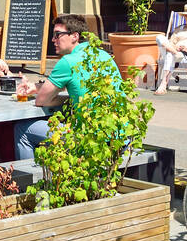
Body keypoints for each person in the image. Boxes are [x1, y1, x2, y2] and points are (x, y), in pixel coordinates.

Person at [16, 16, 117, 159]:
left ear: (75, 36)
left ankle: (28, 179)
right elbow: (75, 83)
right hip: (119, 135)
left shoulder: (67, 61)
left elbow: (41, 101)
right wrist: (38, 87)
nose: (53, 40)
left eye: (58, 35)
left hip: (92, 139)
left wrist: (60, 98)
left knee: (22, 129)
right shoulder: (103, 55)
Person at [150, 2, 187, 95]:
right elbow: (170, 43)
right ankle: (174, 53)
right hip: (176, 51)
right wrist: (175, 48)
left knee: (170, 54)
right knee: (159, 37)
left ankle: (163, 84)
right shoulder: (178, 29)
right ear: (184, 17)